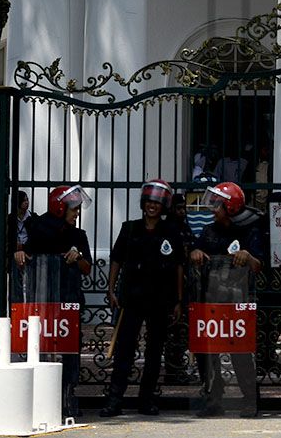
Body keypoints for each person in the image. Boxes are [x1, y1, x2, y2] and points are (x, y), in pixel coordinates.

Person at [100, 179, 185, 418]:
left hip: (160, 300)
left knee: (154, 352)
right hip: (132, 299)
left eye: (157, 203)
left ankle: (146, 400)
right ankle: (114, 400)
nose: (152, 206)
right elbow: (116, 260)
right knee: (124, 350)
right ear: (143, 203)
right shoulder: (129, 228)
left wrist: (178, 300)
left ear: (164, 205)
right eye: (149, 201)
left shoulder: (172, 232)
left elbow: (179, 266)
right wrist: (111, 288)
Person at [15, 185, 92, 419]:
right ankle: (38, 397)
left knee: (69, 351)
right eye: (73, 209)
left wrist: (77, 257)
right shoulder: (39, 228)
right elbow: (26, 254)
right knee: (40, 348)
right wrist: (19, 253)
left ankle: (68, 396)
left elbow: (87, 268)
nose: (76, 213)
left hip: (69, 300)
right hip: (42, 301)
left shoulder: (78, 235)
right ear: (60, 207)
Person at [189, 181, 265, 418]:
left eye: (218, 205)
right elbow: (195, 250)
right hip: (211, 300)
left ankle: (250, 401)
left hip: (238, 302)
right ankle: (213, 399)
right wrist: (195, 253)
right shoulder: (209, 231)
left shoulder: (250, 229)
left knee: (240, 354)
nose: (213, 210)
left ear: (230, 207)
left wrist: (247, 255)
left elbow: (258, 264)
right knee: (208, 353)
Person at [163, 192, 196, 385]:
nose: (182, 211)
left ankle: (178, 368)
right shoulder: (169, 228)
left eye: (184, 208)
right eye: (178, 208)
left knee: (182, 329)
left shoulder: (185, 227)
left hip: (187, 283)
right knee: (173, 329)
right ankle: (173, 370)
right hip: (171, 285)